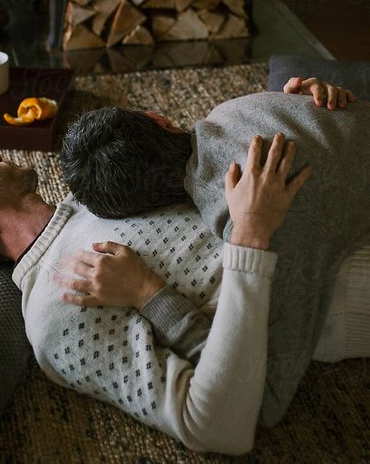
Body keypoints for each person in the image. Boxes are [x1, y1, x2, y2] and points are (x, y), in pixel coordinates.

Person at [60, 76, 370, 425]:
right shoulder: (236, 105)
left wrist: (147, 293)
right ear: (160, 120)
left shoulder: (259, 222)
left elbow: (263, 400)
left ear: (150, 212)